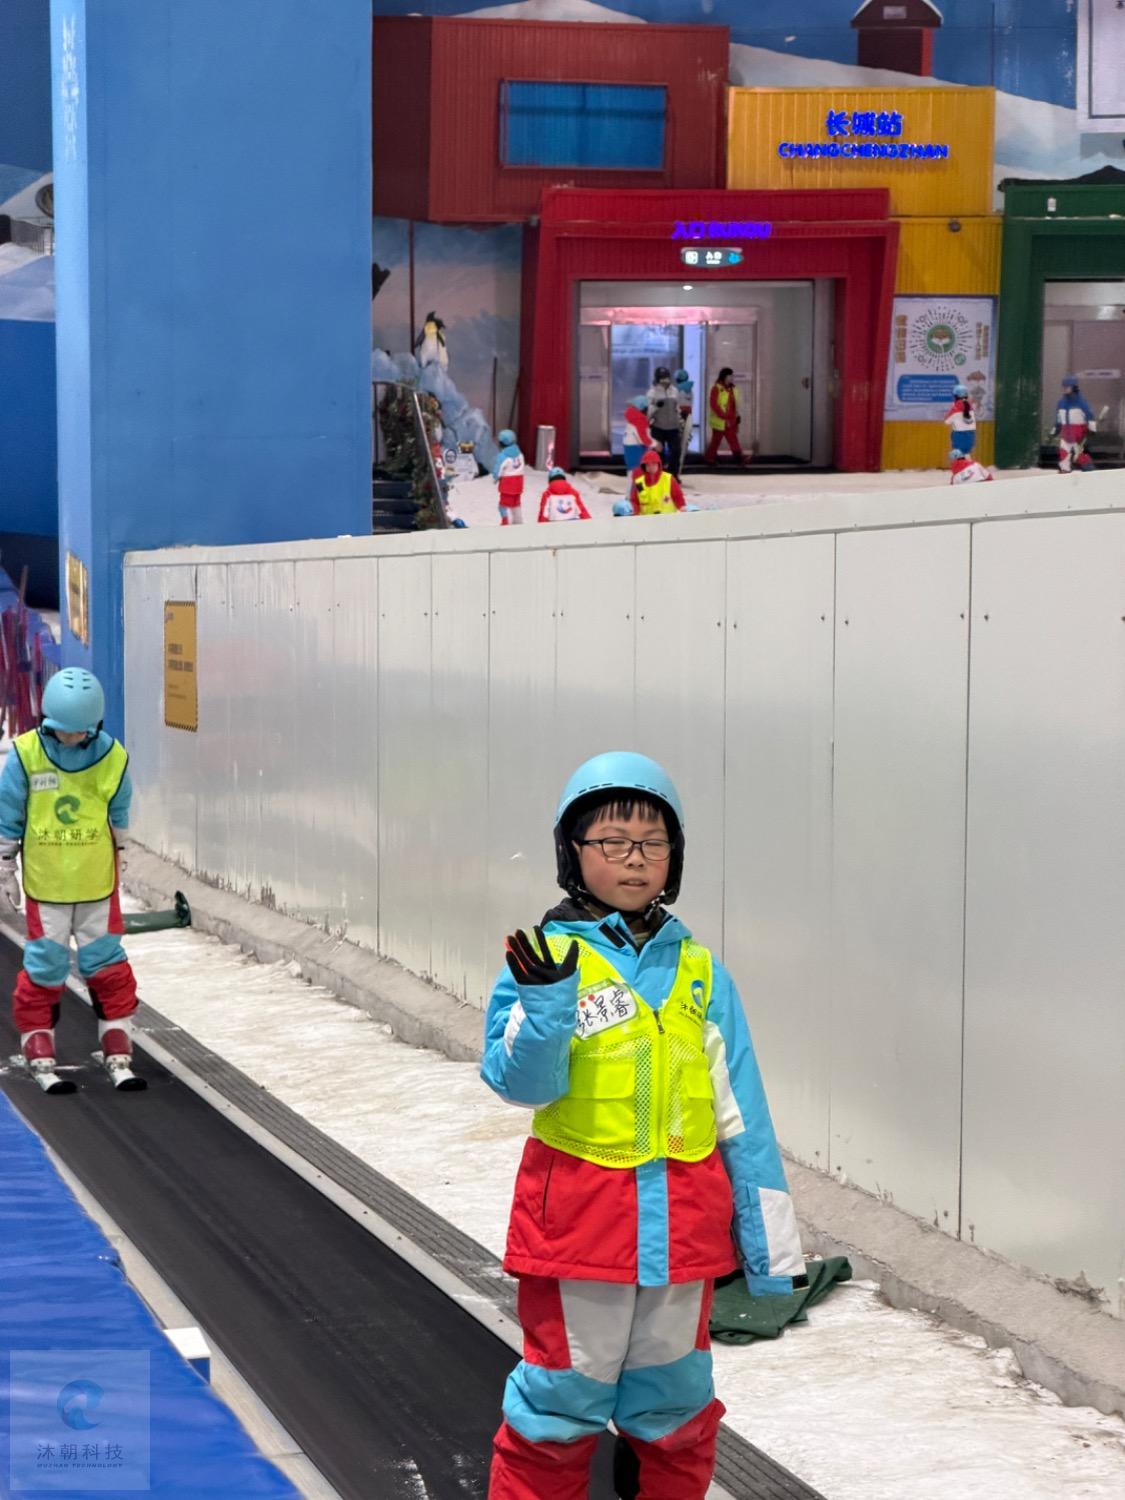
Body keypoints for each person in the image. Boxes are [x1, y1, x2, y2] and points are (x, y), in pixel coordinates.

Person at [482, 752, 805, 1500]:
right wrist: (548, 1006)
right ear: (572, 853)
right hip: (579, 1234)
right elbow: (518, 1084)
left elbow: (742, 1116)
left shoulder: (700, 972)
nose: (634, 858)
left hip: (683, 1238)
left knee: (676, 1413)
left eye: (653, 843)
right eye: (613, 841)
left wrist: (770, 1253)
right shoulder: (542, 960)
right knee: (558, 1407)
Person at [0, 669, 140, 1090]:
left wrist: (123, 852)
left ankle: (117, 1037)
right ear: (49, 721)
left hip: (97, 884)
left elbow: (119, 813)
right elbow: (9, 814)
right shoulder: (25, 754)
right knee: (47, 965)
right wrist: (5, 865)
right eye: (64, 731)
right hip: (48, 887)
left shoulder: (113, 756)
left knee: (107, 964)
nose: (72, 738)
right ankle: (38, 1040)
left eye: (80, 732)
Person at [1053, 375, 1096, 473]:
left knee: (1079, 454)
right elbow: (1059, 418)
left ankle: (1089, 469)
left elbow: (1090, 416)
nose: (1065, 389)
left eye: (1067, 387)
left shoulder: (1081, 403)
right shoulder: (1061, 403)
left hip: (1078, 435)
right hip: (1065, 434)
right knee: (1063, 453)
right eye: (1064, 387)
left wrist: (1092, 428)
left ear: (1074, 387)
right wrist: (1056, 429)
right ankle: (1065, 470)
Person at [704, 369, 746, 465]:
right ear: (724, 377)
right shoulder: (716, 388)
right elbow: (714, 404)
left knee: (733, 440)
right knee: (716, 441)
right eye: (730, 376)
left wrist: (737, 416)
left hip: (730, 420)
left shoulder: (734, 389)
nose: (732, 378)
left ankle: (739, 459)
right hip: (720, 420)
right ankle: (709, 458)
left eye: (732, 376)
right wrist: (723, 415)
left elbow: (735, 405)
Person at [646, 367, 682, 474]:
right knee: (658, 454)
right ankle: (658, 475)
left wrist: (680, 419)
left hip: (673, 427)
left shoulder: (674, 391)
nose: (665, 380)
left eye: (666, 377)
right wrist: (656, 406)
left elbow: (678, 407)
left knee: (676, 452)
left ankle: (673, 475)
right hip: (658, 427)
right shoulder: (652, 392)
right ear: (657, 379)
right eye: (662, 378)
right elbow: (647, 412)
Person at [629, 448, 686, 515]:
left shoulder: (668, 479)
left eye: (653, 464)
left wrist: (682, 507)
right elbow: (634, 501)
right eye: (648, 465)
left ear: (658, 464)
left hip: (668, 518)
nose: (651, 467)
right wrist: (635, 512)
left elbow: (678, 496)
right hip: (646, 519)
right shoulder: (639, 483)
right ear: (644, 466)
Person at [492, 429, 526, 526]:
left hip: (507, 485)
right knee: (516, 504)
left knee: (503, 506)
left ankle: (506, 523)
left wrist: (495, 477)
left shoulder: (503, 456)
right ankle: (518, 521)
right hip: (519, 484)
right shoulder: (520, 454)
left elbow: (498, 470)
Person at [943, 383, 977, 459]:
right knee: (967, 454)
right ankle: (969, 466)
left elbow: (946, 421)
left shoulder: (955, 409)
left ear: (955, 396)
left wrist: (949, 411)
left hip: (959, 435)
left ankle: (962, 466)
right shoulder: (970, 406)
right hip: (971, 435)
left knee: (959, 456)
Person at [622, 397, 654, 477]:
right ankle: (637, 485)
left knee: (633, 470)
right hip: (636, 447)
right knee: (637, 471)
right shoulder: (639, 420)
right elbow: (643, 438)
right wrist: (655, 444)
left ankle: (634, 484)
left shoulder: (633, 418)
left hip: (631, 447)